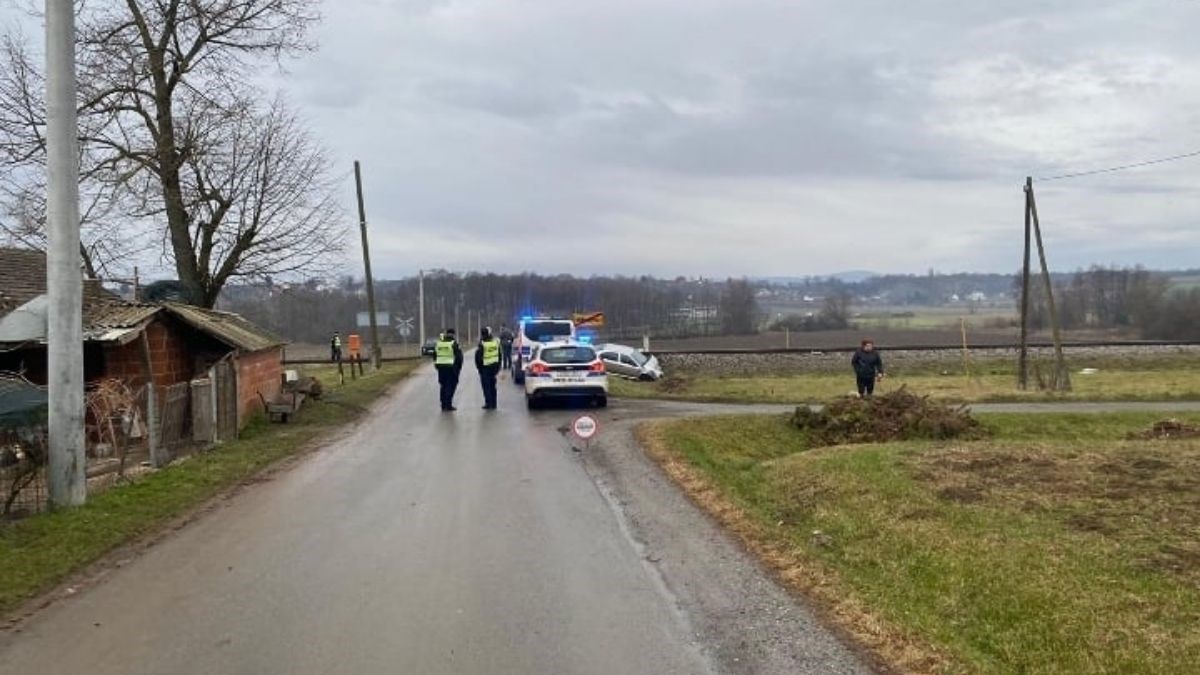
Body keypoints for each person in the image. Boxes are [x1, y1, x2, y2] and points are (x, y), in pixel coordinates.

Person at [434, 328, 464, 411]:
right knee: (450, 386)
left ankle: (443, 404)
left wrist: (437, 365)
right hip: (451, 368)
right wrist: (458, 368)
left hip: (441, 368)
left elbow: (435, 355)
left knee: (443, 386)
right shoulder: (454, 343)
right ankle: (448, 404)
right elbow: (459, 357)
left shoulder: (439, 343)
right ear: (453, 334)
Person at [475, 326, 502, 409]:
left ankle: (488, 403)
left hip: (485, 368)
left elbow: (478, 358)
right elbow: (499, 355)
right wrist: (498, 366)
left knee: (486, 387)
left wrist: (479, 369)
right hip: (494, 367)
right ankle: (494, 404)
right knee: (492, 386)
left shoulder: (482, 344)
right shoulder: (495, 342)